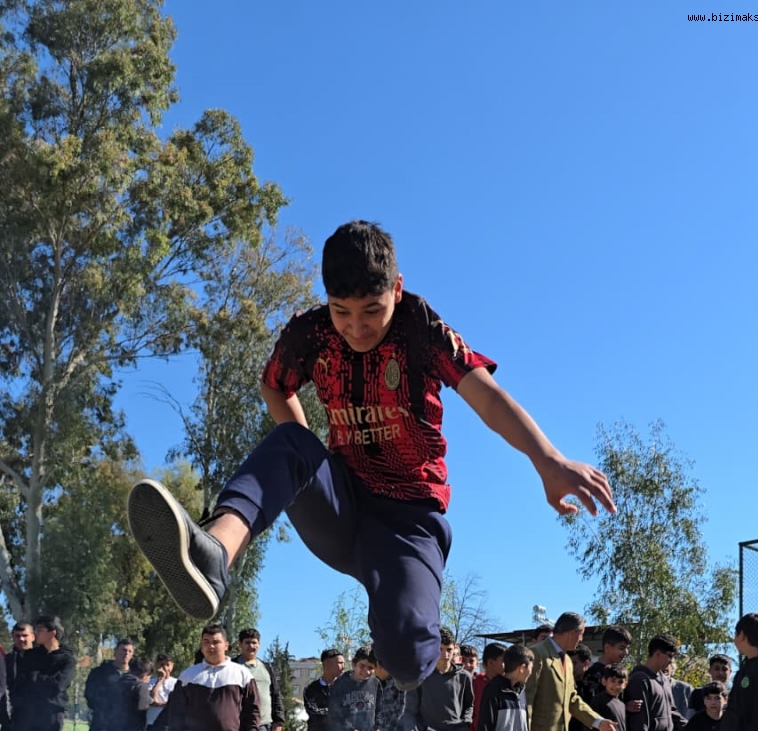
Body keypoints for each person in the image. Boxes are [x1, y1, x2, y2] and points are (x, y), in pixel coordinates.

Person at [127, 220, 615, 689]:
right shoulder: (311, 333)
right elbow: (274, 385)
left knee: (408, 660)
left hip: (410, 522)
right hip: (344, 508)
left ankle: (398, 617)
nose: (356, 328)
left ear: (396, 290)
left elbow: (486, 397)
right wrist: (307, 464)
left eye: (371, 312)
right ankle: (215, 553)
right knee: (292, 441)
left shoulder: (421, 328)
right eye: (342, 312)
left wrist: (547, 459)